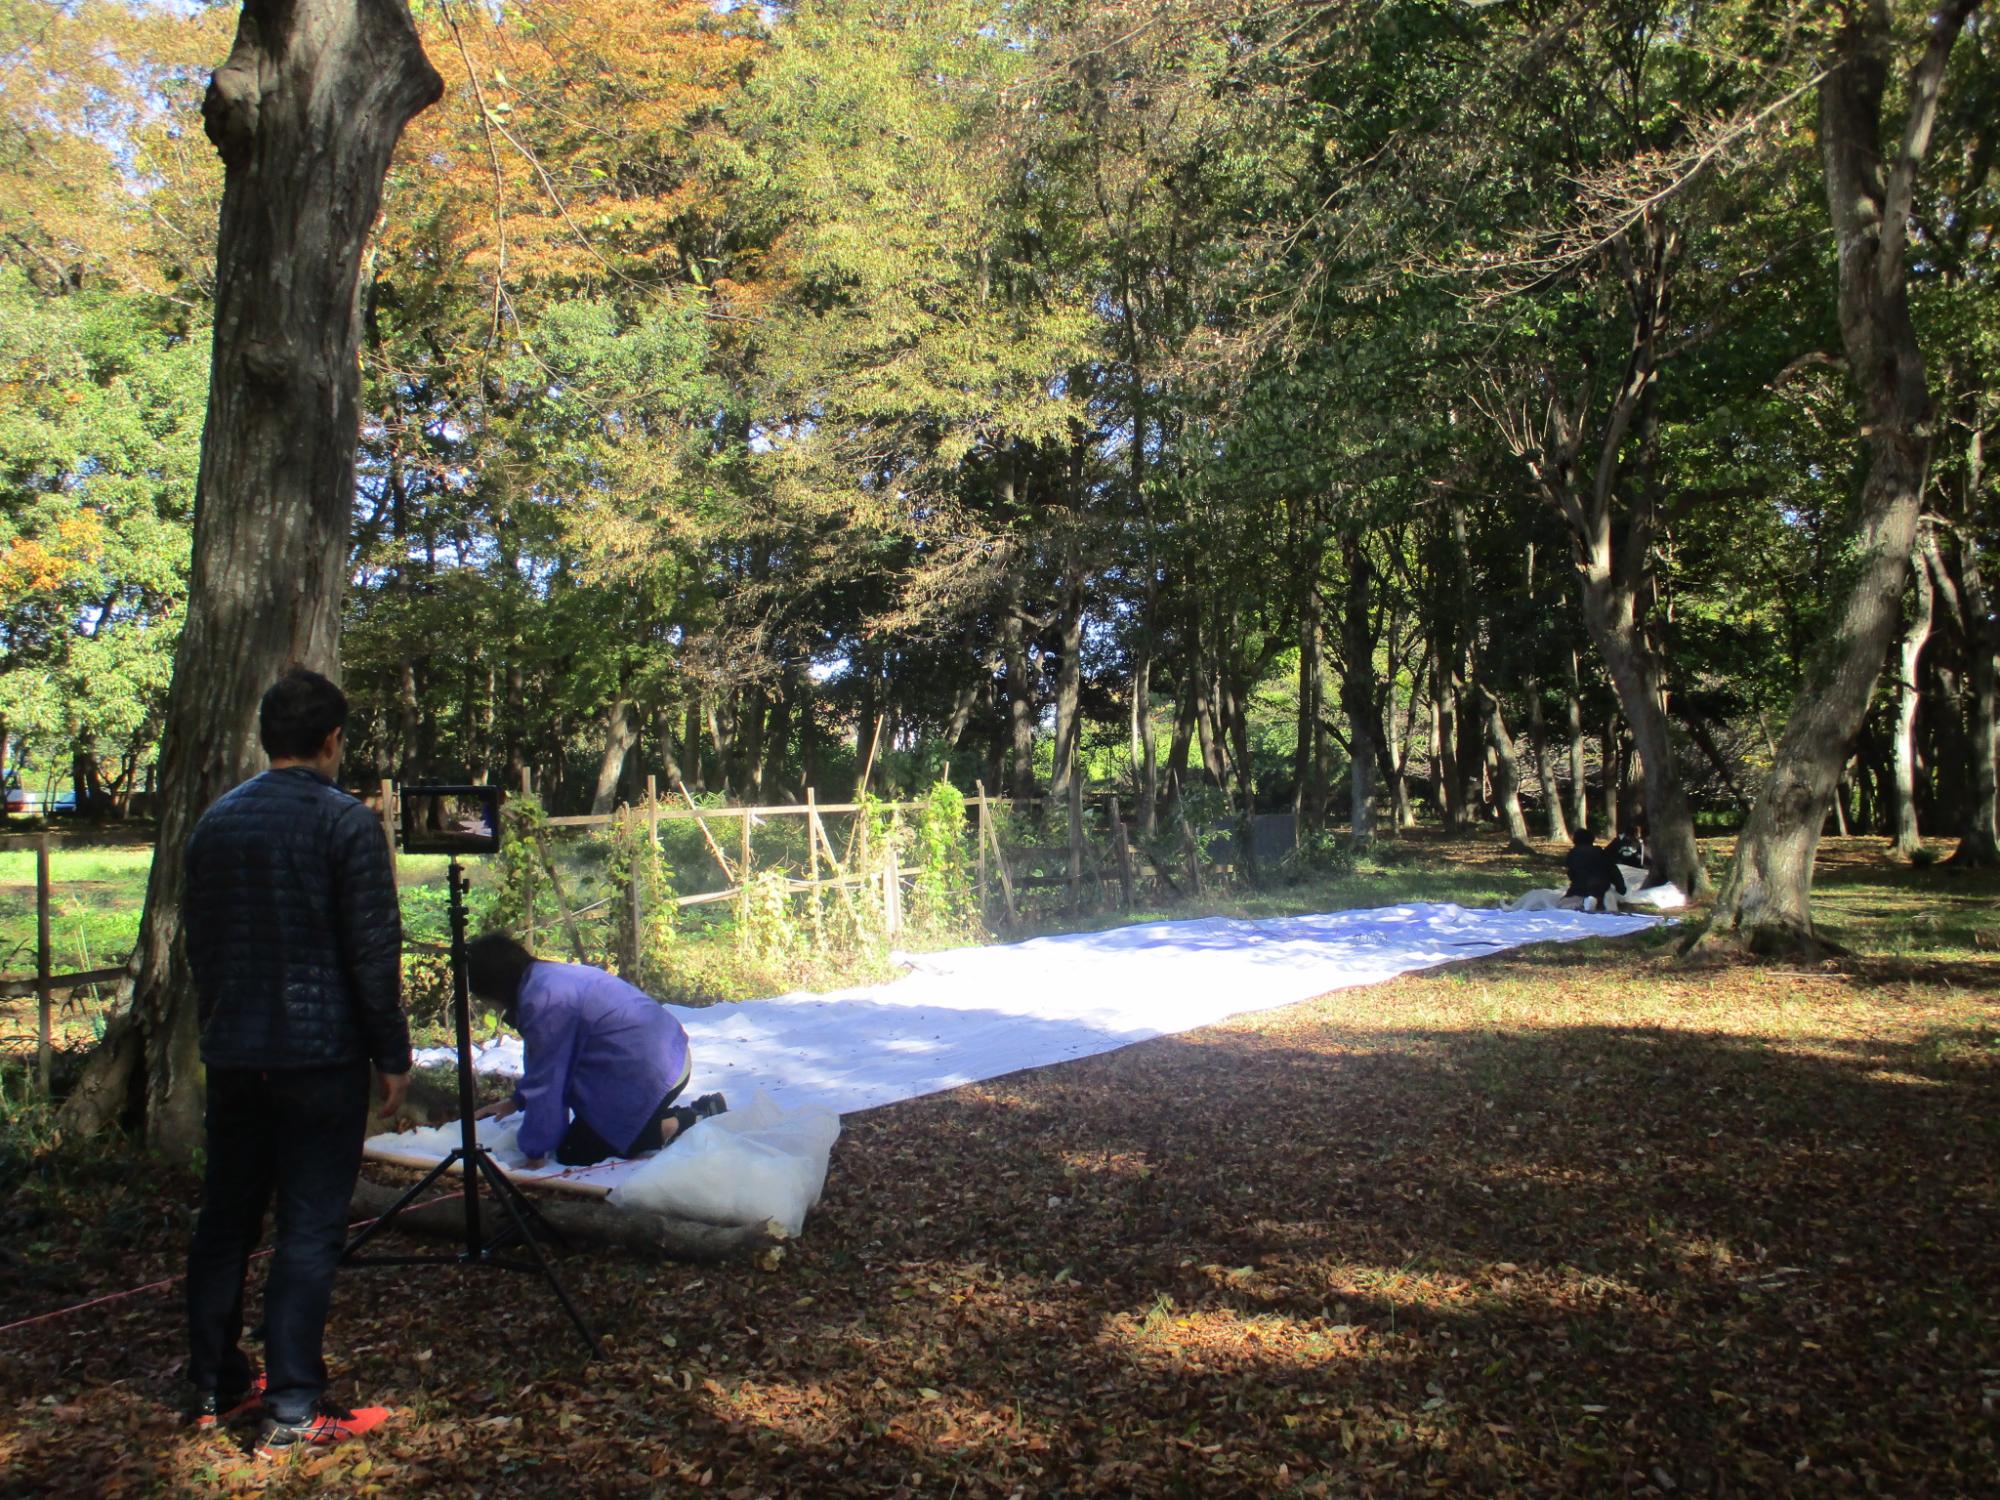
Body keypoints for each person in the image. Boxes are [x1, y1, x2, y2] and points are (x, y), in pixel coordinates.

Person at [181, 668, 409, 1458]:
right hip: (320, 1058)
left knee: (226, 1223)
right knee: (309, 1228)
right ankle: (292, 1405)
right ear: (332, 739)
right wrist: (393, 1053)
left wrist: (219, 1022)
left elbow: (199, 946)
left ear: (264, 736)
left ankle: (210, 1383)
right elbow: (373, 950)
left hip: (236, 1054)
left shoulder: (216, 821)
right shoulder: (346, 823)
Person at [465, 934, 725, 1168]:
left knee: (575, 1152)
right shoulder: (544, 979)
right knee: (587, 1136)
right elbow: (543, 1064)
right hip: (665, 1056)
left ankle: (687, 1120)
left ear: (494, 987)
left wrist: (535, 1154)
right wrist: (516, 1101)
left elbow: (549, 1081)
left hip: (654, 1071)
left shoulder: (544, 1001)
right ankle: (677, 1115)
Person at [1562, 827, 1628, 913]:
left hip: (1580, 888)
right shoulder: (1600, 852)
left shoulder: (1572, 854)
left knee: (1562, 904)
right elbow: (1613, 871)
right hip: (1601, 887)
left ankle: (1584, 902)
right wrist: (1621, 888)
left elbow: (1572, 873)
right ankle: (1599, 901)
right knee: (1601, 894)